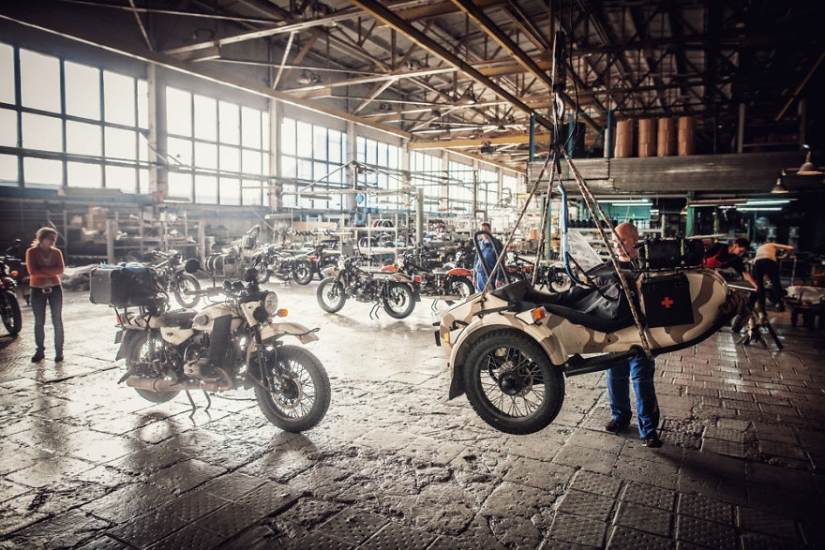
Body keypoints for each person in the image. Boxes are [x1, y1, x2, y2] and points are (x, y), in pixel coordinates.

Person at [604, 222, 662, 448]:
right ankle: (620, 417)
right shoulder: (609, 266)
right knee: (615, 377)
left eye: (621, 240)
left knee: (642, 381)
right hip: (615, 333)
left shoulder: (646, 266)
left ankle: (648, 430)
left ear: (634, 239)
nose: (616, 246)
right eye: (614, 241)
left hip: (641, 334)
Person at [26, 227, 65, 363]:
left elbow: (61, 269)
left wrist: (43, 270)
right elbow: (32, 271)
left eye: (55, 239)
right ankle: (40, 350)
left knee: (57, 321)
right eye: (51, 239)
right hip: (37, 289)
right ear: (42, 238)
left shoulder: (57, 252)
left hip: (55, 288)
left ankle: (59, 352)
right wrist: (51, 271)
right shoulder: (31, 252)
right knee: (39, 322)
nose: (53, 241)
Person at [751, 241, 794, 313]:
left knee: (759, 284)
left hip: (757, 262)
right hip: (769, 261)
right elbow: (790, 248)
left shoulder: (759, 248)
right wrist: (787, 256)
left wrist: (765, 276)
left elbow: (754, 263)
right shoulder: (772, 244)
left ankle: (761, 303)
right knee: (775, 282)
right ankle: (779, 303)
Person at [473, 222, 504, 292]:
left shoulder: (496, 243)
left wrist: (499, 278)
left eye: (485, 230)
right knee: (481, 298)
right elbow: (476, 260)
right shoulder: (480, 244)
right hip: (480, 276)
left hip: (490, 275)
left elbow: (500, 261)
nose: (483, 232)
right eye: (482, 230)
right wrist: (474, 277)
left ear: (490, 230)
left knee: (491, 297)